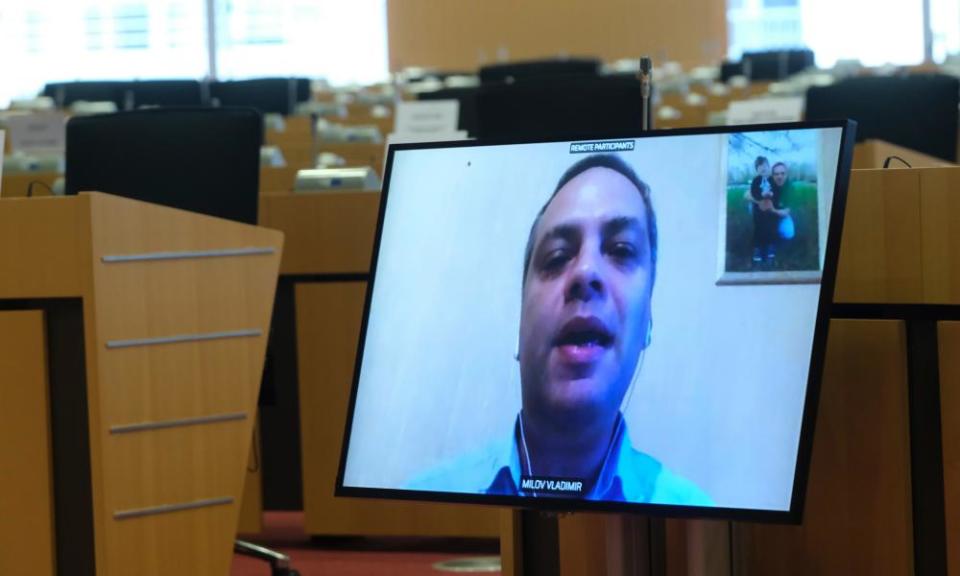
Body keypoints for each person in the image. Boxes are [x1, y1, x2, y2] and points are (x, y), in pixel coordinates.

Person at [408, 154, 712, 505]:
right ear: (520, 324)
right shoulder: (418, 505)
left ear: (648, 324)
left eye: (621, 249)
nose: (586, 272)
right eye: (556, 257)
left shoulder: (700, 518)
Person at [744, 157, 790, 267]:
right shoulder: (755, 181)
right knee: (759, 230)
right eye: (760, 167)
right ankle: (758, 253)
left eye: (765, 166)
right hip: (759, 211)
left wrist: (772, 196)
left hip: (771, 211)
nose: (763, 168)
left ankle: (770, 253)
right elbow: (753, 193)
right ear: (757, 170)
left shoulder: (772, 180)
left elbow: (777, 192)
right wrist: (761, 196)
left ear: (769, 167)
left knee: (771, 229)